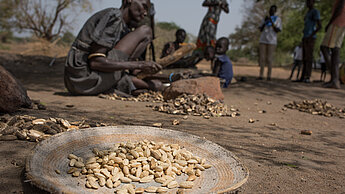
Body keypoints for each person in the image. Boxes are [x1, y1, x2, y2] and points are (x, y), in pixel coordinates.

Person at [64, 0, 163, 97]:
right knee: (146, 31)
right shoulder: (115, 15)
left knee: (156, 85)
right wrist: (139, 65)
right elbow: (96, 62)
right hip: (84, 77)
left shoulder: (123, 26)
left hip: (77, 83)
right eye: (144, 7)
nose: (145, 13)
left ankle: (127, 82)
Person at [191, 0, 229, 67]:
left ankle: (211, 66)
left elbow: (227, 11)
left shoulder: (224, 1)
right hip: (209, 21)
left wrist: (223, 6)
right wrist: (216, 3)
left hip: (214, 23)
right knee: (208, 42)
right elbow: (204, 3)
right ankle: (193, 62)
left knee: (210, 42)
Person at [320, 0, 345, 89]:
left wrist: (330, 22)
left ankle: (335, 79)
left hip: (337, 22)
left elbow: (339, 8)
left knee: (324, 47)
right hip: (342, 24)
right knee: (335, 49)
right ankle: (335, 80)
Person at [258, 5, 282, 81]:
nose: (271, 11)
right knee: (262, 58)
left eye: (273, 10)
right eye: (270, 10)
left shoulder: (278, 19)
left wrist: (271, 21)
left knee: (269, 59)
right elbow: (260, 29)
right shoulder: (265, 19)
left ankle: (269, 76)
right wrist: (265, 22)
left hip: (272, 41)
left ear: (275, 11)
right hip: (263, 40)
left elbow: (277, 30)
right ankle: (261, 75)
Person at [299, 0, 321, 83]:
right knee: (304, 57)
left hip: (310, 38)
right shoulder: (308, 12)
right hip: (305, 37)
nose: (307, 3)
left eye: (310, 1)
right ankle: (302, 76)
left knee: (309, 57)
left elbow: (319, 26)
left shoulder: (315, 12)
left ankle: (307, 76)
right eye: (307, 1)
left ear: (313, 2)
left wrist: (311, 35)